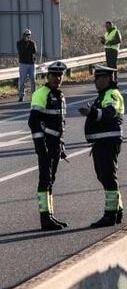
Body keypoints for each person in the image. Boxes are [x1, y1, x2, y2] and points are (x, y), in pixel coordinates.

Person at [80, 66, 125, 228]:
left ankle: (110, 215)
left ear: (107, 78)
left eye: (98, 78)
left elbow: (109, 113)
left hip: (107, 142)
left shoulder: (111, 94)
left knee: (108, 177)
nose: (95, 82)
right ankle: (117, 210)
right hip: (102, 142)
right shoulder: (104, 95)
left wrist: (91, 113)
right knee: (104, 177)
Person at [29, 60, 69, 230]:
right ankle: (45, 218)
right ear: (48, 76)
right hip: (45, 144)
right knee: (45, 180)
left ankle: (50, 215)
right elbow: (33, 121)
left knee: (50, 179)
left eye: (60, 75)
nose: (57, 78)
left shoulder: (59, 95)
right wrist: (40, 145)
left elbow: (59, 124)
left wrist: (61, 144)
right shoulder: (41, 93)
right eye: (54, 75)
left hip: (54, 144)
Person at [17, 29, 37, 102]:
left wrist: (29, 45)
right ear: (23, 35)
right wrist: (27, 46)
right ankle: (21, 96)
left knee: (33, 80)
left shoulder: (32, 43)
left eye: (29, 35)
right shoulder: (19, 43)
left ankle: (34, 96)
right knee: (22, 81)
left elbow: (34, 51)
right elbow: (21, 52)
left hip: (32, 64)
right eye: (27, 35)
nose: (28, 36)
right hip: (23, 64)